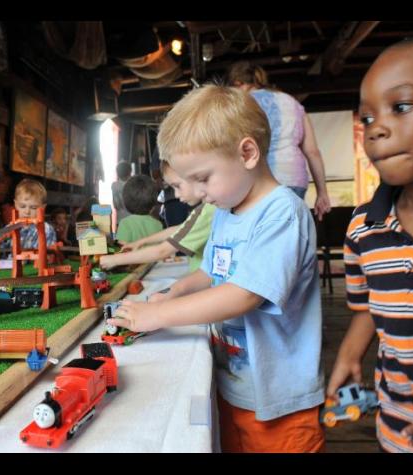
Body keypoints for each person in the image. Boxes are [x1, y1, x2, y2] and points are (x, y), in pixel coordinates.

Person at [107, 84, 325, 453]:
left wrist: (158, 314)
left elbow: (243, 294)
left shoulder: (283, 212)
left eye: (202, 178)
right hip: (235, 385)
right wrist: (174, 291)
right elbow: (211, 272)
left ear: (247, 153)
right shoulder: (226, 211)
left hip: (279, 401)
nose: (196, 192)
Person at [326, 36, 413, 453]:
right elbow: (372, 303)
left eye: (401, 107)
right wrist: (351, 351)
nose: (375, 128)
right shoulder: (365, 229)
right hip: (396, 434)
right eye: (366, 117)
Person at [227, 61, 332, 221]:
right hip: (294, 177)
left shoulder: (244, 104)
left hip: (261, 182)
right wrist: (322, 192)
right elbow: (312, 152)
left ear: (238, 83)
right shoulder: (292, 103)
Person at [100, 161, 214, 273]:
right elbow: (180, 229)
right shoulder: (203, 210)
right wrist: (141, 242)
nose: (176, 195)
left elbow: (162, 251)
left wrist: (114, 259)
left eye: (177, 186)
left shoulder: (207, 212)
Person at [115, 174, 163, 245]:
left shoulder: (125, 224)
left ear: (126, 202)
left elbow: (123, 249)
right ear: (153, 206)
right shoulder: (158, 224)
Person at [12, 178, 57, 249]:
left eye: (33, 207)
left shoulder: (47, 230)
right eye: (22, 206)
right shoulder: (10, 228)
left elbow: (48, 256)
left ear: (43, 207)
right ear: (15, 204)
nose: (27, 212)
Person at [111, 161, 132, 227]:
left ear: (118, 173)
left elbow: (115, 205)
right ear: (130, 172)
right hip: (132, 219)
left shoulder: (114, 185)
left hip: (120, 220)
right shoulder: (133, 184)